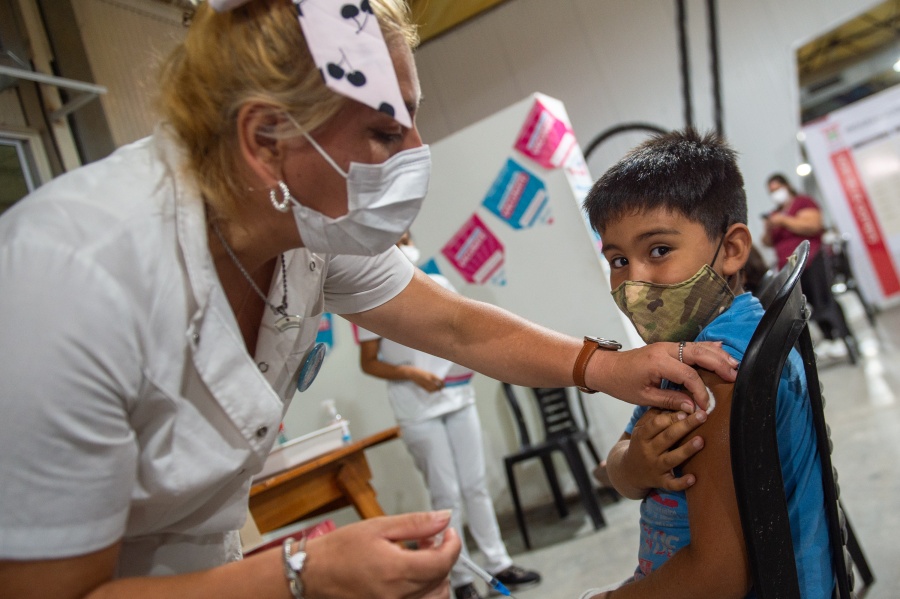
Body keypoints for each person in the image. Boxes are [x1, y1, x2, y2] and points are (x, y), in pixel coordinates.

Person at [0, 2, 738, 598]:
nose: (416, 152)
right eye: (386, 131)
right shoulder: (72, 278)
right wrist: (303, 571)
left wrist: (605, 367)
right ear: (266, 138)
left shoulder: (299, 229)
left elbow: (450, 321)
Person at [578, 129, 833, 598]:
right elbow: (612, 465)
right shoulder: (695, 346)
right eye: (617, 260)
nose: (634, 282)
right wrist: (631, 464)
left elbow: (715, 578)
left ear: (732, 249)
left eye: (658, 250)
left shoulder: (715, 372)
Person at [358, 233, 540, 599]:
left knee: (475, 484)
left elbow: (459, 335)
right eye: (396, 238)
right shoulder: (365, 300)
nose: (405, 242)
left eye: (407, 236)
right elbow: (369, 363)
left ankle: (497, 562)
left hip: (457, 397)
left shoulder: (437, 284)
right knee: (446, 495)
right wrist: (412, 374)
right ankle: (459, 579)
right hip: (417, 410)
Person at [762, 173, 856, 362]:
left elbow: (813, 225)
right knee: (806, 306)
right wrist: (769, 226)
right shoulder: (775, 214)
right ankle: (829, 338)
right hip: (790, 269)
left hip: (812, 261)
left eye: (777, 189)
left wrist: (783, 221)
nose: (775, 194)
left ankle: (842, 337)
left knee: (824, 302)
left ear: (787, 186)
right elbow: (767, 242)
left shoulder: (803, 203)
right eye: (771, 191)